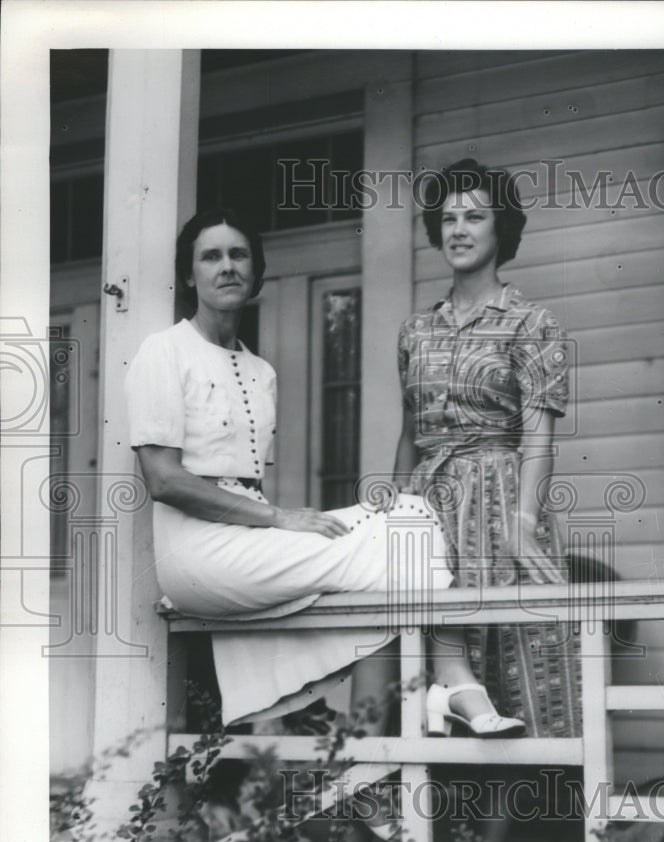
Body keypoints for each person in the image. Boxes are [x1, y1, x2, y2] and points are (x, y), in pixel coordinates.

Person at [124, 207, 526, 748]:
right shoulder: (163, 351)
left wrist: (278, 525)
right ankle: (441, 695)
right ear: (189, 274)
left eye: (239, 255)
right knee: (394, 553)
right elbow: (165, 481)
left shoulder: (260, 371)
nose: (226, 268)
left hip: (245, 544)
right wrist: (282, 520)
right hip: (192, 552)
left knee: (409, 513)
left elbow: (248, 484)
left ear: (256, 271)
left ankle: (393, 734)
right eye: (210, 257)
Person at [395, 159, 581, 739]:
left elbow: (538, 433)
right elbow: (409, 430)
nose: (458, 229)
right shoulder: (415, 331)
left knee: (518, 651)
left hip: (502, 496)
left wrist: (524, 519)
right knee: (415, 651)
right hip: (428, 502)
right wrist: (396, 505)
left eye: (474, 216)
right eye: (448, 218)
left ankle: (526, 816)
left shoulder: (532, 322)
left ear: (501, 229)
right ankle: (428, 815)